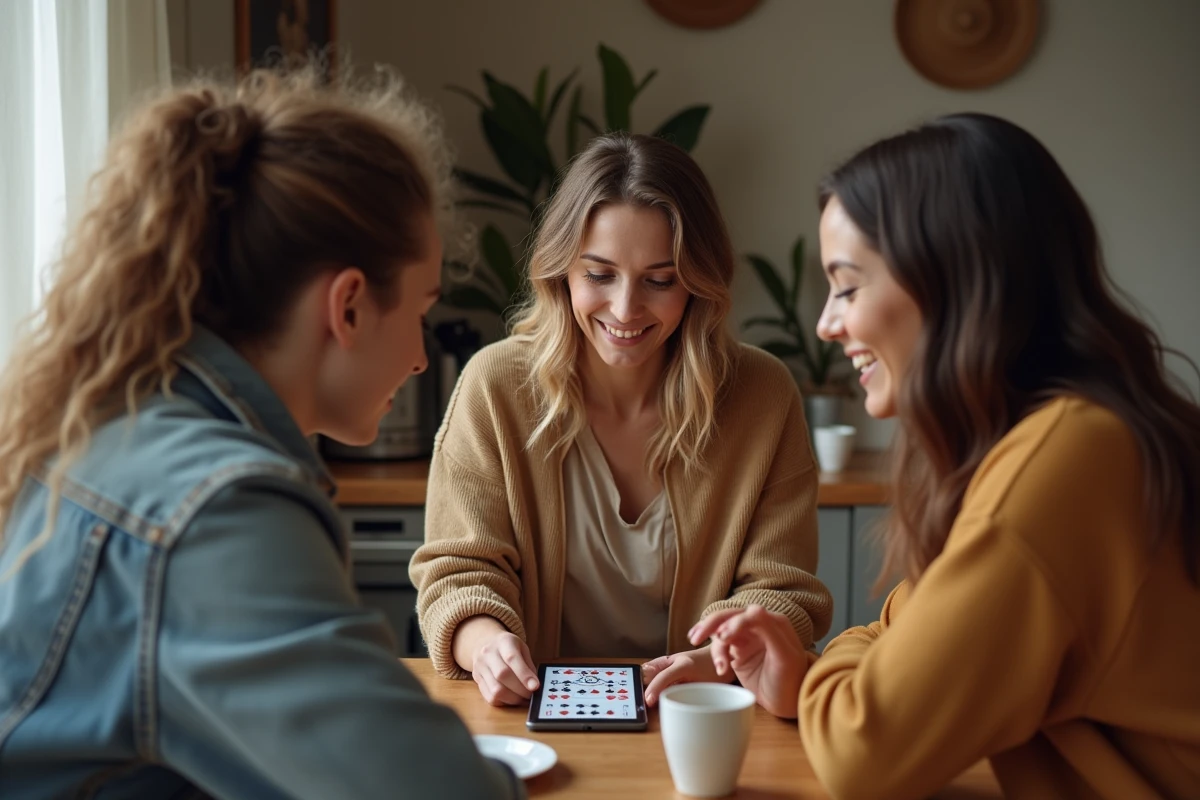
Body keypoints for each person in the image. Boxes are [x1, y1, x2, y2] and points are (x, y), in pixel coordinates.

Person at [0, 68, 523, 798]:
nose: (416, 354)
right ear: (346, 307)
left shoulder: (107, 421)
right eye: (419, 311)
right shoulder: (218, 509)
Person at [690, 113, 1200, 799]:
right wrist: (837, 675)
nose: (826, 324)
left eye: (846, 285)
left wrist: (827, 674)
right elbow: (906, 628)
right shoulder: (1077, 435)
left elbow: (860, 752)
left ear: (948, 277)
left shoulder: (1065, 464)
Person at [409, 132, 832, 707]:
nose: (626, 309)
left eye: (660, 280)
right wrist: (485, 643)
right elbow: (458, 571)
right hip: (529, 715)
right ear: (561, 270)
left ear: (699, 283)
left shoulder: (762, 394)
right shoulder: (495, 386)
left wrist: (714, 659)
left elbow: (780, 587)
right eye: (599, 275)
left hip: (704, 709)